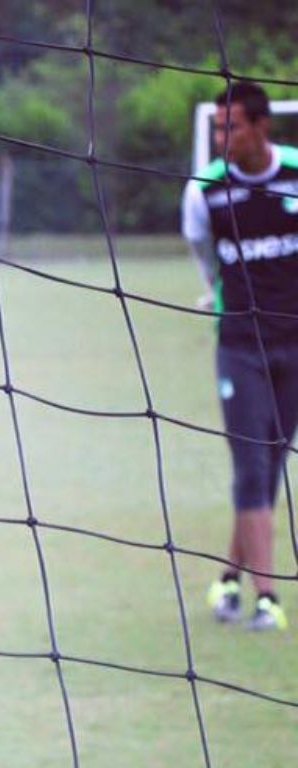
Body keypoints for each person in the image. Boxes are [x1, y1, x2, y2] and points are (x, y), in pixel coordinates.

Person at [182, 80, 298, 631]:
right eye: (217, 128)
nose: (222, 137)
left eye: (232, 127)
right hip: (239, 347)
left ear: (261, 127)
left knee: (270, 465)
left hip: (295, 346)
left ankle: (228, 580)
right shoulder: (204, 190)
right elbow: (206, 260)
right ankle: (268, 597)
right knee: (250, 466)